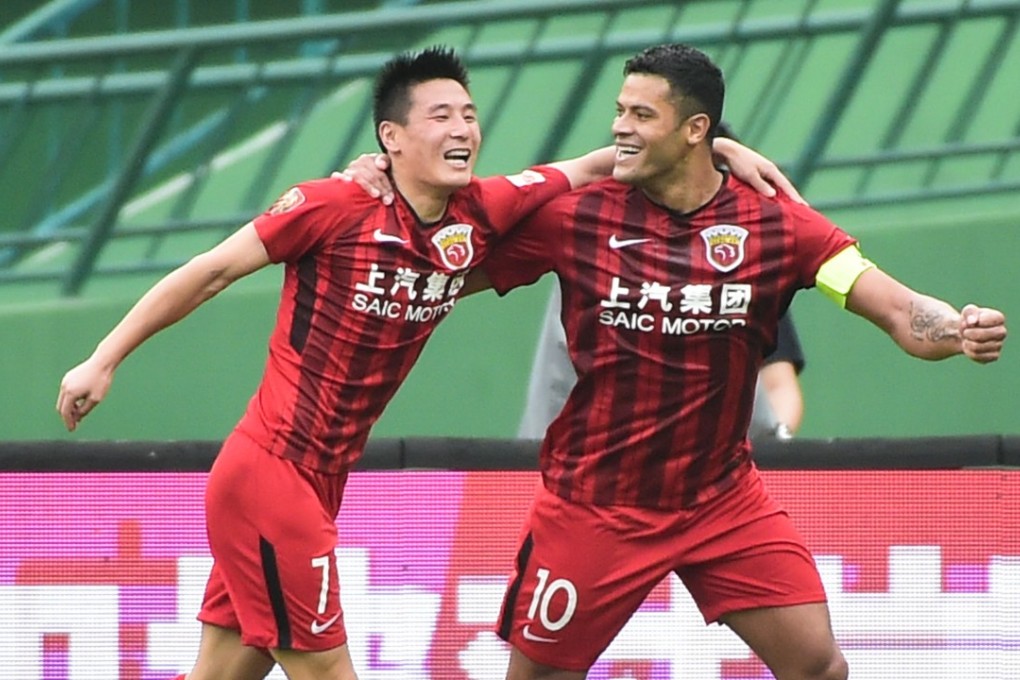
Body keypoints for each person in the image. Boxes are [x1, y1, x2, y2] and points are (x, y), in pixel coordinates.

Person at [55, 46, 796, 680]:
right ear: (392, 137)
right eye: (440, 116)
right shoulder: (330, 204)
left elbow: (594, 165)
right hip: (269, 475)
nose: (462, 128)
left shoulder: (485, 211)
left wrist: (719, 151)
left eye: (469, 115)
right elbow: (211, 270)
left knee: (221, 671)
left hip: (321, 480)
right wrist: (102, 359)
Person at [460, 44, 1005, 680]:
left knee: (819, 668)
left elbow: (898, 310)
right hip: (597, 504)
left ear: (695, 129)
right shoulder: (577, 216)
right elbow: (453, 272)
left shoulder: (778, 225)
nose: (620, 127)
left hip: (720, 499)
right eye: (620, 110)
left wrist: (958, 329)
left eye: (641, 115)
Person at [517, 287, 806, 441]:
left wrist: (773, 449)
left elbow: (779, 386)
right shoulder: (591, 255)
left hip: (723, 490)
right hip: (589, 489)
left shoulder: (746, 264)